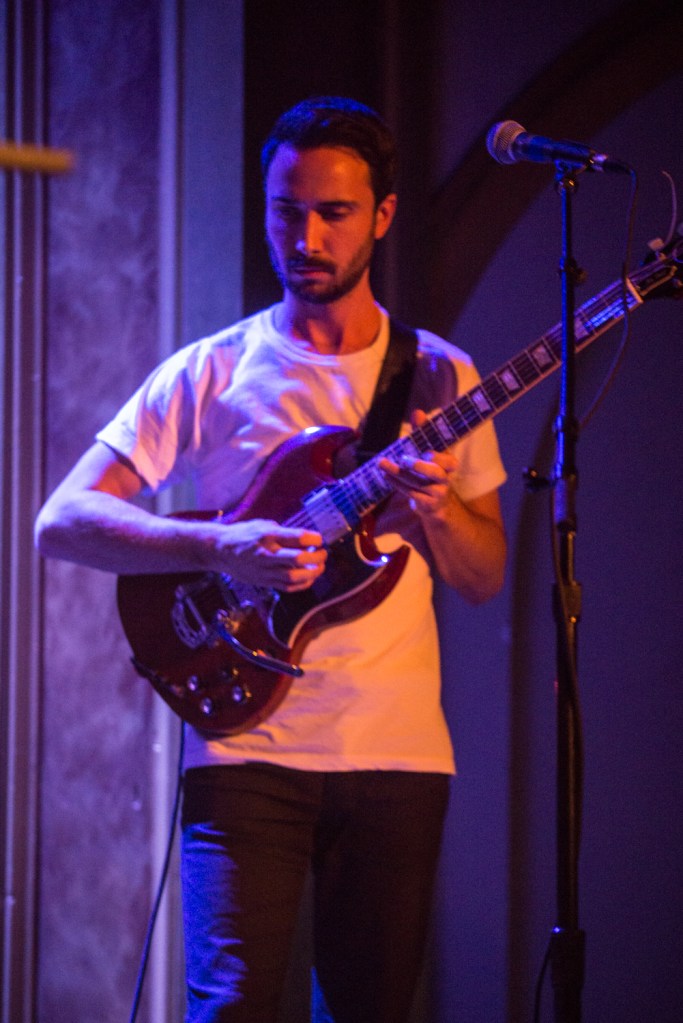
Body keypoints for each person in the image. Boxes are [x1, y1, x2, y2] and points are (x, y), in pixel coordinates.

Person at [35, 97, 507, 1023]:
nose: (305, 236)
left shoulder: (440, 374)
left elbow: (483, 574)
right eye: (285, 210)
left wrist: (434, 513)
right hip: (243, 744)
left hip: (399, 756)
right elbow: (63, 520)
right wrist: (221, 546)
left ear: (382, 215)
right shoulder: (213, 369)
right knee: (234, 1010)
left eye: (333, 212)